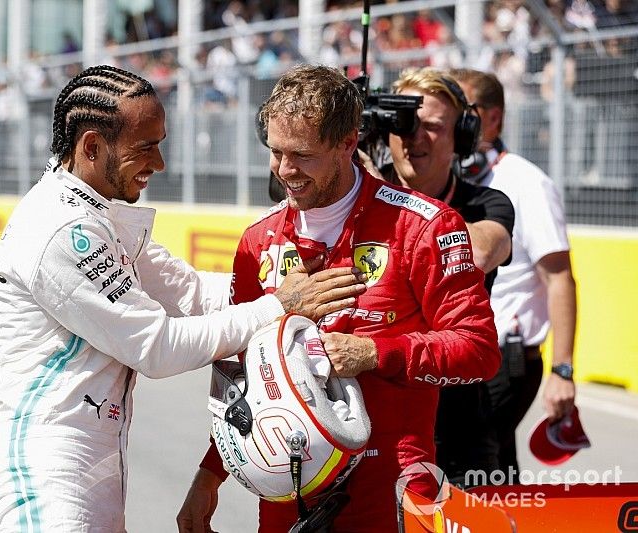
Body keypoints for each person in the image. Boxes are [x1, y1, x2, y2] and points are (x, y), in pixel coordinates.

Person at [0, 65, 368, 533]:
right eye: (146, 147)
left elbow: (192, 294)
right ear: (93, 147)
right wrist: (281, 306)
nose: (159, 163)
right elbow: (157, 347)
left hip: (88, 460)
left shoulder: (97, 214)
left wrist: (286, 277)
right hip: (43, 467)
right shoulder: (62, 230)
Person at [177, 64, 500, 533]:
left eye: (303, 155)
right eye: (275, 152)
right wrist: (209, 475)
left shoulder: (425, 226)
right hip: (288, 492)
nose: (286, 171)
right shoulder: (258, 243)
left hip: (393, 491)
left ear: (349, 143)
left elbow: (479, 351)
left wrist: (375, 352)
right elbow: (240, 383)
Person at [382, 68, 515, 486]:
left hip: (459, 433)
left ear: (463, 136)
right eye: (402, 122)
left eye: (433, 127)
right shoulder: (356, 196)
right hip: (372, 428)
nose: (414, 137)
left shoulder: (486, 204)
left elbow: (472, 253)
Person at [450, 68, 578, 480]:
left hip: (507, 360)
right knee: (494, 471)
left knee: (472, 469)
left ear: (493, 117)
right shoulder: (450, 176)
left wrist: (562, 371)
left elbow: (560, 278)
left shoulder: (526, 183)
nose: (457, 123)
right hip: (465, 355)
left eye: (464, 111)